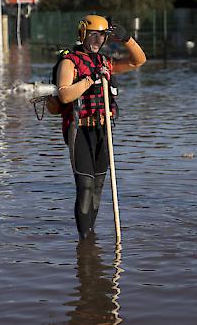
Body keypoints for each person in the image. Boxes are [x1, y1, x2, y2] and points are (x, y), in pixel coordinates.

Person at [55, 14, 146, 239]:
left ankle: (90, 238)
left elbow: (138, 61)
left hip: (102, 130)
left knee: (98, 187)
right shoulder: (70, 62)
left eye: (102, 36)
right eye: (93, 35)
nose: (97, 40)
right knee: (85, 186)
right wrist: (89, 80)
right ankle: (84, 242)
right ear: (83, 34)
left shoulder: (106, 62)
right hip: (80, 129)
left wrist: (127, 39)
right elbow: (64, 95)